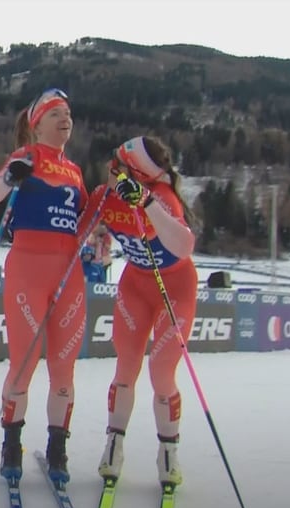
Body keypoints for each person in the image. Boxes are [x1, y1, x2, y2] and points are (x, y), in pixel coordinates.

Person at [0, 88, 89, 486]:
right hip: (28, 267)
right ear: (37, 123)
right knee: (23, 364)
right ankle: (12, 445)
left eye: (69, 112)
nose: (66, 119)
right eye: (56, 113)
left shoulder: (75, 170)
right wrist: (12, 176)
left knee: (63, 368)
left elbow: (84, 218)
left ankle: (58, 448)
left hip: (69, 273)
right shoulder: (26, 155)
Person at [81, 136, 197, 487]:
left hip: (174, 288)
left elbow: (184, 245)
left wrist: (146, 203)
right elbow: (75, 234)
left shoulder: (162, 196)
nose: (110, 167)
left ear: (136, 174)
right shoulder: (104, 195)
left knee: (161, 373)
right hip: (135, 286)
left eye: (118, 164)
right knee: (126, 367)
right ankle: (114, 445)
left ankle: (168, 452)